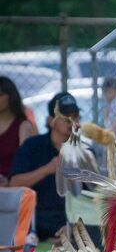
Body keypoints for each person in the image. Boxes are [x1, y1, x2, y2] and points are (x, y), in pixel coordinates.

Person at [9, 92, 79, 241]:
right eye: (66, 117)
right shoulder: (32, 147)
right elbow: (14, 183)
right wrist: (48, 169)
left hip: (69, 223)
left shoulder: (83, 153)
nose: (71, 122)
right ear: (51, 121)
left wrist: (74, 228)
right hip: (36, 224)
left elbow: (92, 200)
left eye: (75, 116)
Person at [0, 76, 35, 185]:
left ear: (10, 96)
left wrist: (9, 181)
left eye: (0, 95)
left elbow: (28, 164)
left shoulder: (23, 127)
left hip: (13, 189)